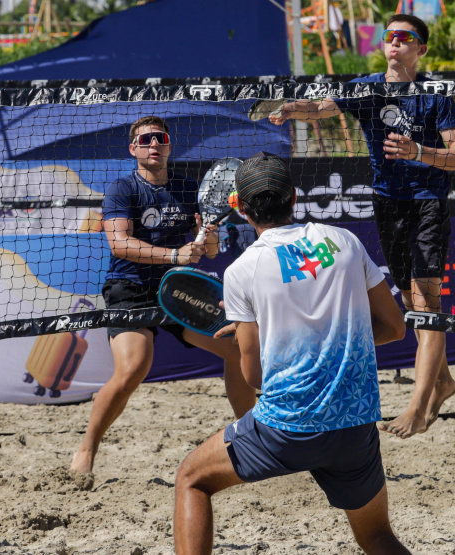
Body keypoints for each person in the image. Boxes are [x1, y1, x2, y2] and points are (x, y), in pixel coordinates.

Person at [174, 153, 409, 555]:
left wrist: (269, 339)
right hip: (356, 423)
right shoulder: (344, 241)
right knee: (377, 537)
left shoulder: (242, 271)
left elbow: (256, 378)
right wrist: (328, 338)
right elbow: (394, 327)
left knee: (191, 479)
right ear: (295, 197)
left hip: (289, 426)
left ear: (239, 207)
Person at [270, 13, 455, 439]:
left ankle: (417, 407)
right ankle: (444, 382)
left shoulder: (435, 95)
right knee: (411, 301)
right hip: (387, 204)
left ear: (421, 48)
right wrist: (294, 110)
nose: (394, 42)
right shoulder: (367, 87)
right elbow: (321, 109)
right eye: (389, 36)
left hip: (427, 204)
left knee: (425, 301)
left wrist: (419, 151)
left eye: (405, 37)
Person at [70, 116, 257, 474]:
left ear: (169, 146)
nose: (153, 144)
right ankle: (88, 446)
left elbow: (213, 252)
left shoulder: (188, 189)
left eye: (160, 138)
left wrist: (209, 232)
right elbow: (119, 244)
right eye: (145, 140)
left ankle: (251, 437)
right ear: (133, 149)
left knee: (237, 349)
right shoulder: (123, 189)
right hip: (131, 288)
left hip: (179, 286)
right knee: (133, 369)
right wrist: (174, 254)